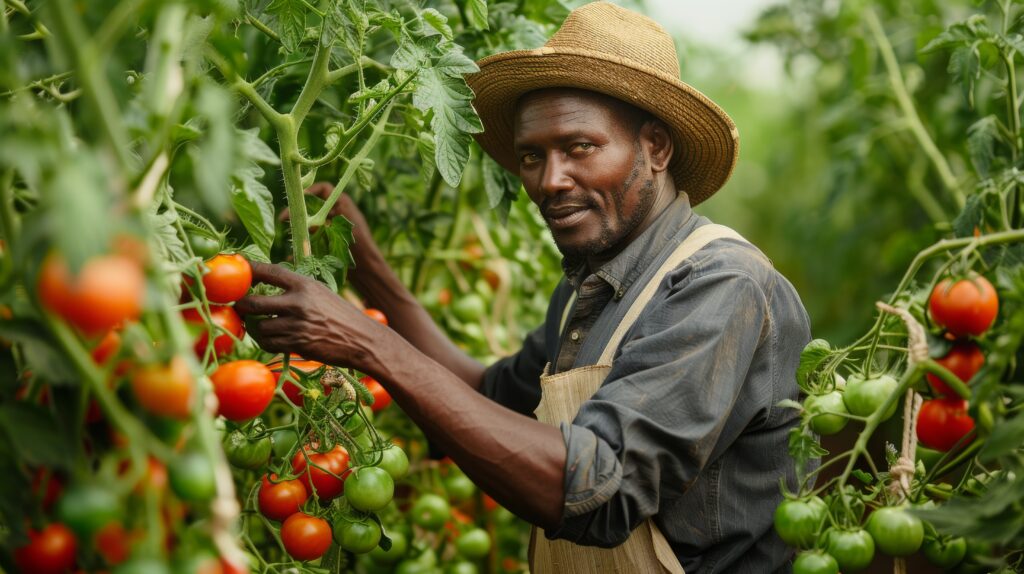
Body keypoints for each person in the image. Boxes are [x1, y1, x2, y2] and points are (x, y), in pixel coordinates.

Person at [236, 2, 811, 572]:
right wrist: (373, 277)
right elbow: (487, 398)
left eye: (579, 147)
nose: (550, 181)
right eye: (532, 156)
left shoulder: (720, 285)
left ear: (655, 148)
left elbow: (598, 490)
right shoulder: (594, 283)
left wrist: (368, 343)